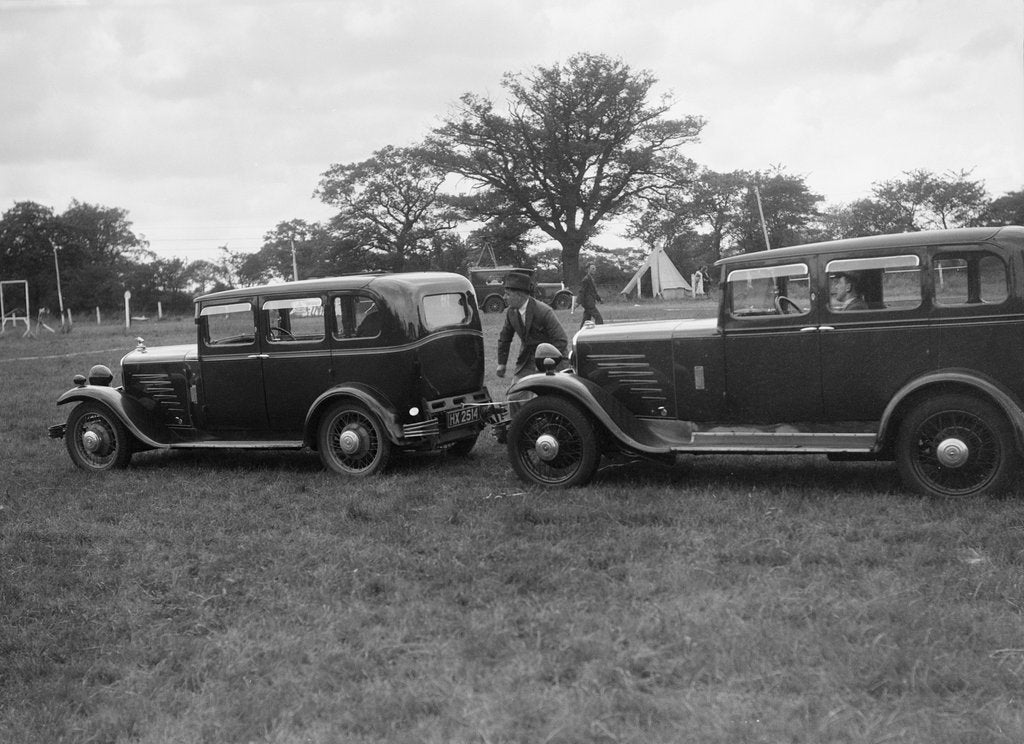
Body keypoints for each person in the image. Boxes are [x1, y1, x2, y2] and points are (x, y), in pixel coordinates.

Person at [496, 271, 569, 384]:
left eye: (508, 294)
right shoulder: (511, 312)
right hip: (527, 360)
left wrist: (544, 364)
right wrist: (502, 363)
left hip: (553, 362)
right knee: (515, 394)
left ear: (520, 295)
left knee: (547, 394)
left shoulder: (544, 311)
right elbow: (505, 338)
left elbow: (561, 340)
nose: (504, 297)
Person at [577, 262, 604, 327]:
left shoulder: (591, 279)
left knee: (586, 320)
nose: (594, 270)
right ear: (588, 269)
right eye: (592, 268)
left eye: (595, 268)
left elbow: (593, 292)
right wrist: (577, 302)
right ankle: (599, 332)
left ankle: (581, 333)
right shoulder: (586, 279)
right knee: (599, 319)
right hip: (588, 304)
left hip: (589, 303)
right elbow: (582, 292)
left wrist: (599, 299)